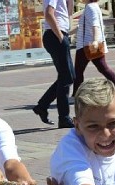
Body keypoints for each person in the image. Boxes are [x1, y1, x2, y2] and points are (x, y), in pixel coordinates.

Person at [31, 0, 76, 129]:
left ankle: (42, 106)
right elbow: (49, 14)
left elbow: (69, 13)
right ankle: (63, 118)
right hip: (55, 35)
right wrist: (61, 37)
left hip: (58, 34)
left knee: (68, 76)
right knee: (66, 77)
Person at [73, 0, 115, 99]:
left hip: (87, 45)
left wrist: (95, 41)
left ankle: (75, 95)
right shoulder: (93, 6)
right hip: (92, 44)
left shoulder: (90, 7)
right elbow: (82, 26)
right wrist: (68, 33)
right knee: (103, 68)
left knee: (78, 71)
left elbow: (95, 25)